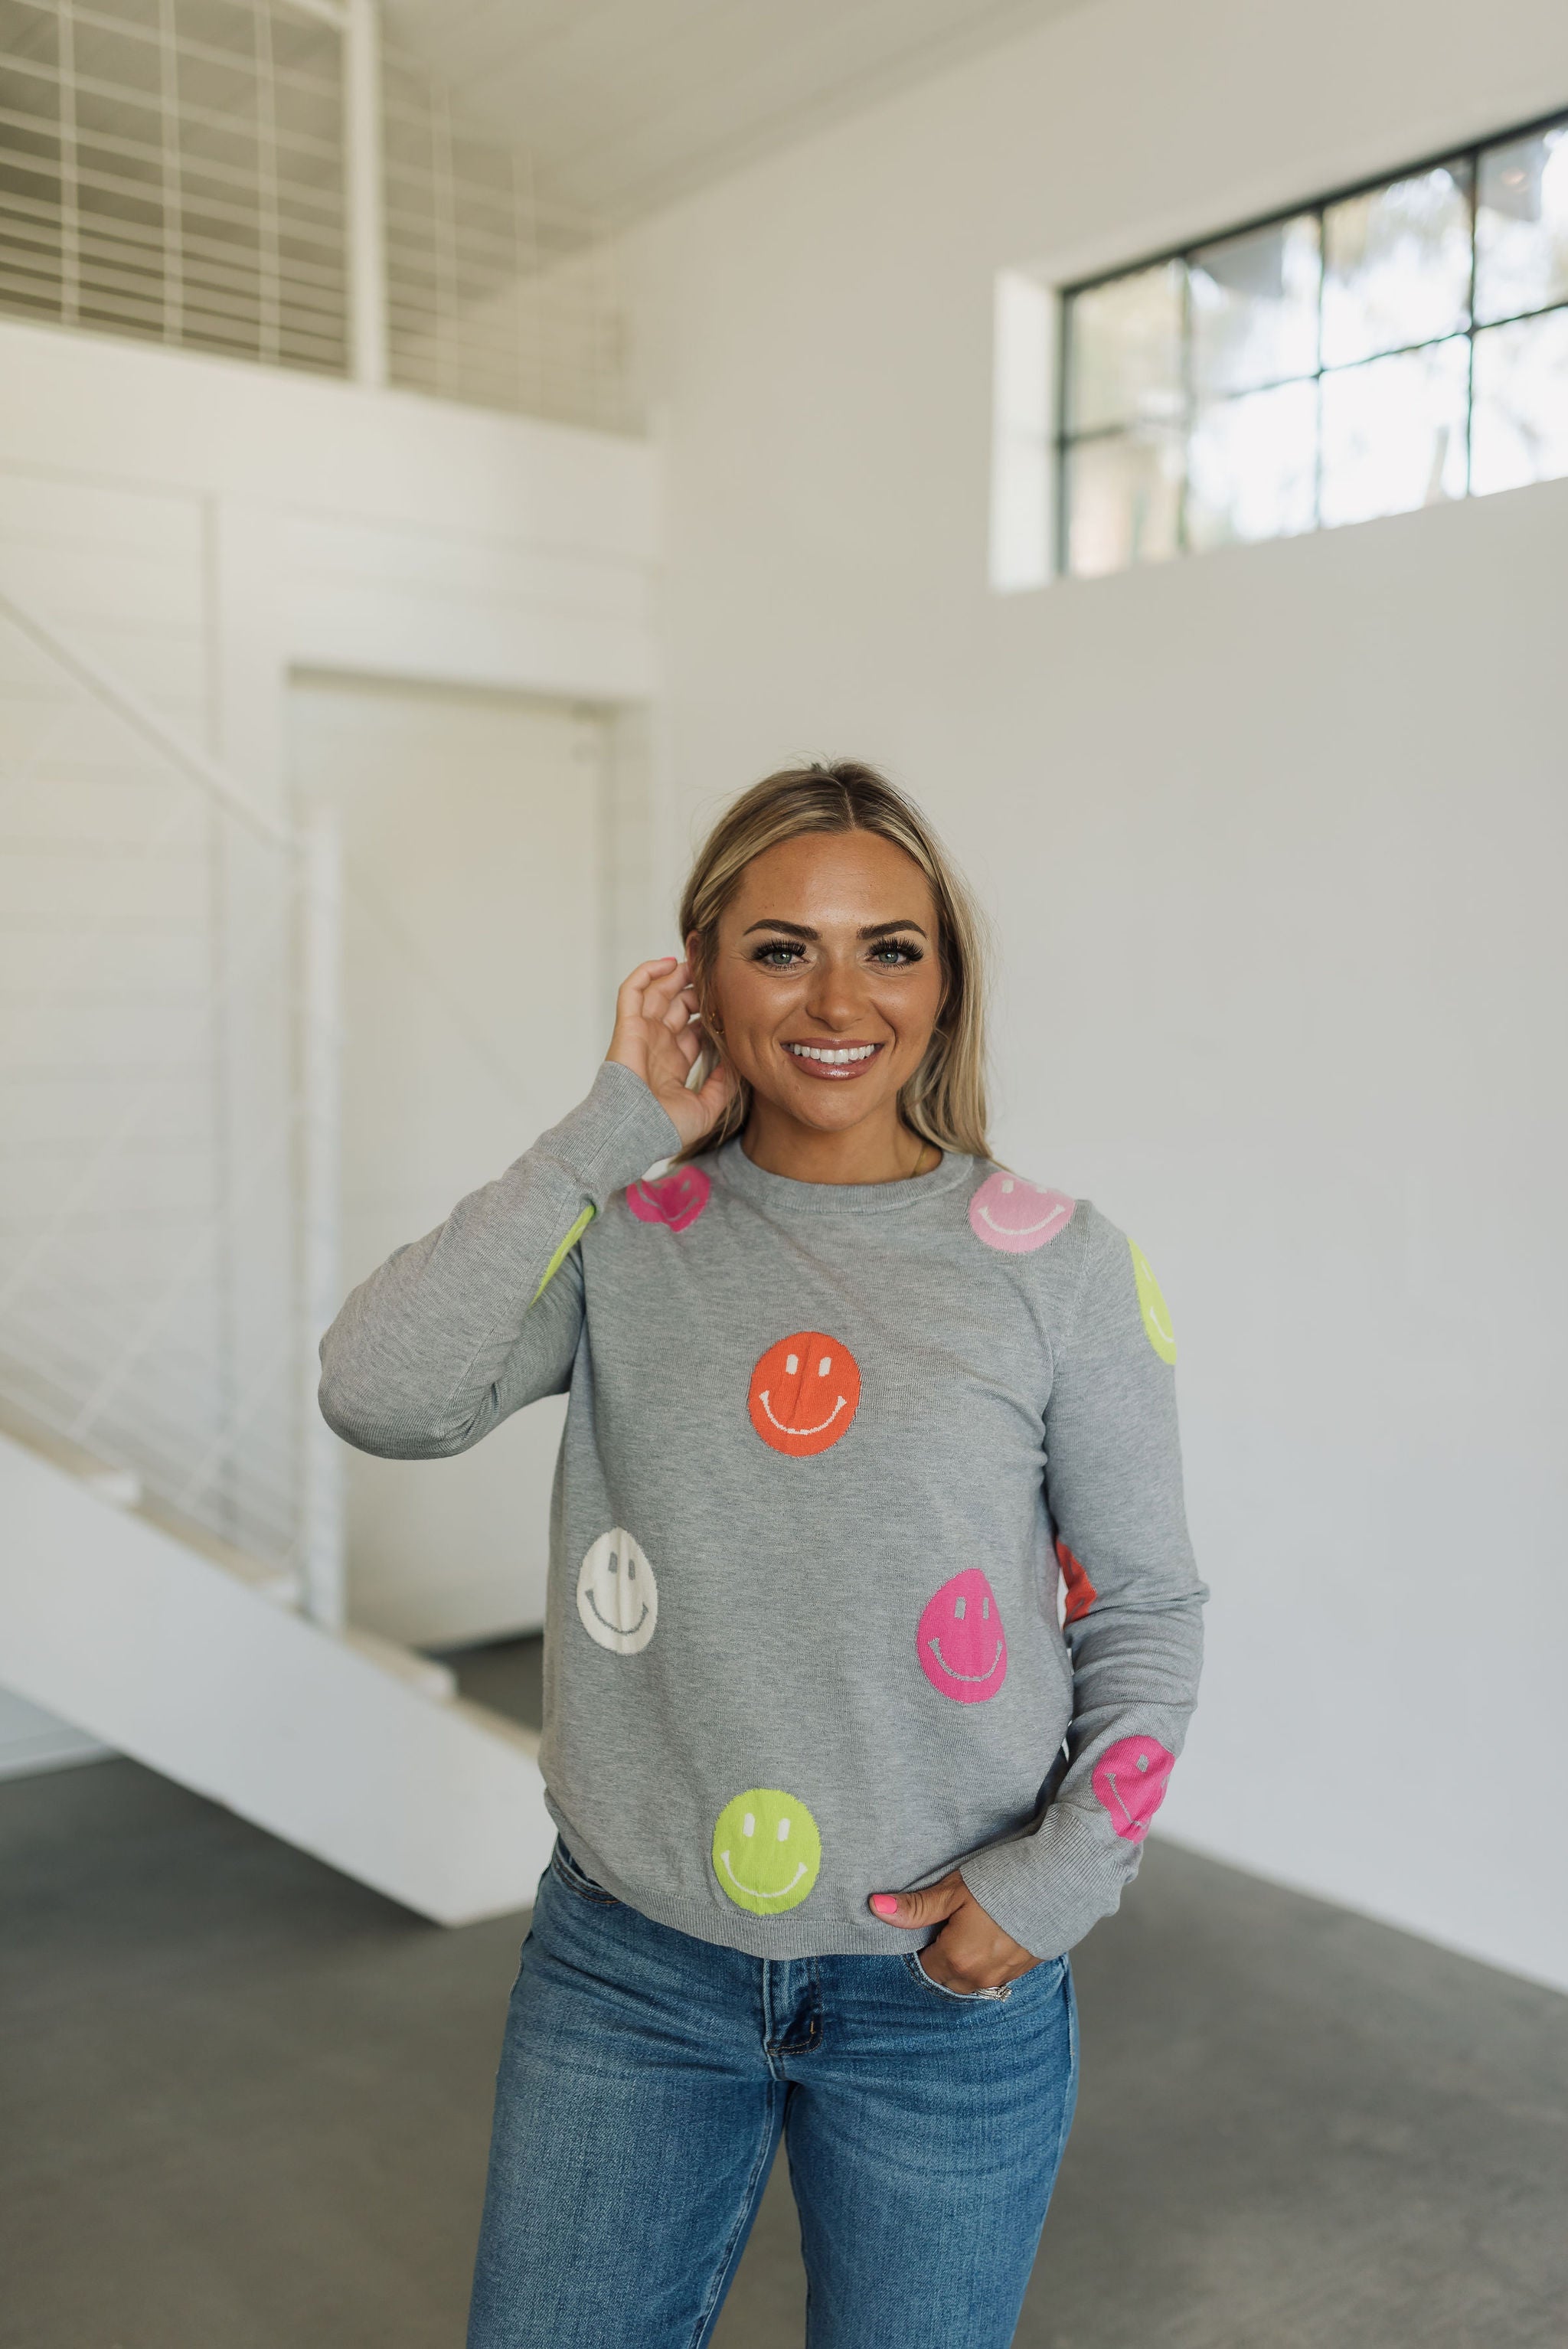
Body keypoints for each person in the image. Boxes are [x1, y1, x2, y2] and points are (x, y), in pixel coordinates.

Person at [318, 760, 1205, 2349]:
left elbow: (1142, 1600)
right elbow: (379, 1391)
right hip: (632, 1968)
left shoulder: (1057, 1263)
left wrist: (1060, 1879)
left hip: (941, 1990)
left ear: (946, 982)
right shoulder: (629, 1237)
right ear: (700, 974)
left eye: (893, 946)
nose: (839, 996)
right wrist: (602, 1133)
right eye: (783, 946)